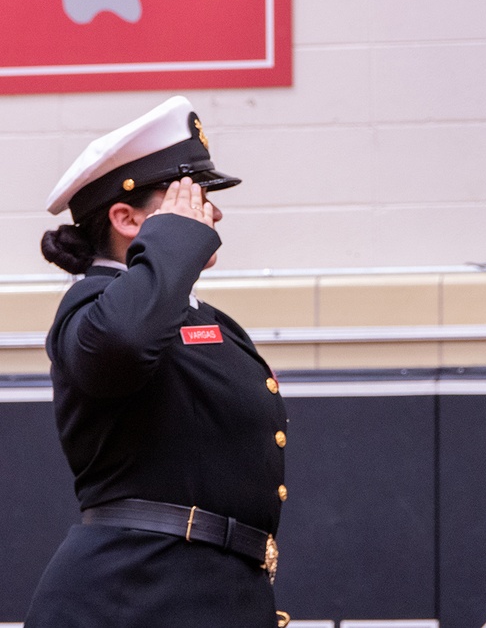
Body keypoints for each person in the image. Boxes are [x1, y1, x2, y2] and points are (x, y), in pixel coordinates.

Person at [26, 96, 290, 628]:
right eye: (189, 199)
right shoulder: (93, 304)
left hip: (203, 596)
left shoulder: (194, 314)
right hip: (135, 598)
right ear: (126, 218)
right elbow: (122, 341)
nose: (211, 215)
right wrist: (173, 240)